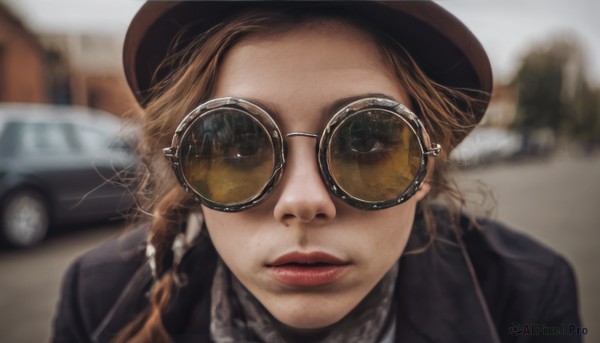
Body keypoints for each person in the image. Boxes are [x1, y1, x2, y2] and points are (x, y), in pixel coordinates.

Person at [52, 2, 582, 343]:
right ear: (187, 172)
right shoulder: (97, 300)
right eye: (238, 145)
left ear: (428, 167)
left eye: (369, 141)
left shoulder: (526, 302)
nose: (303, 201)